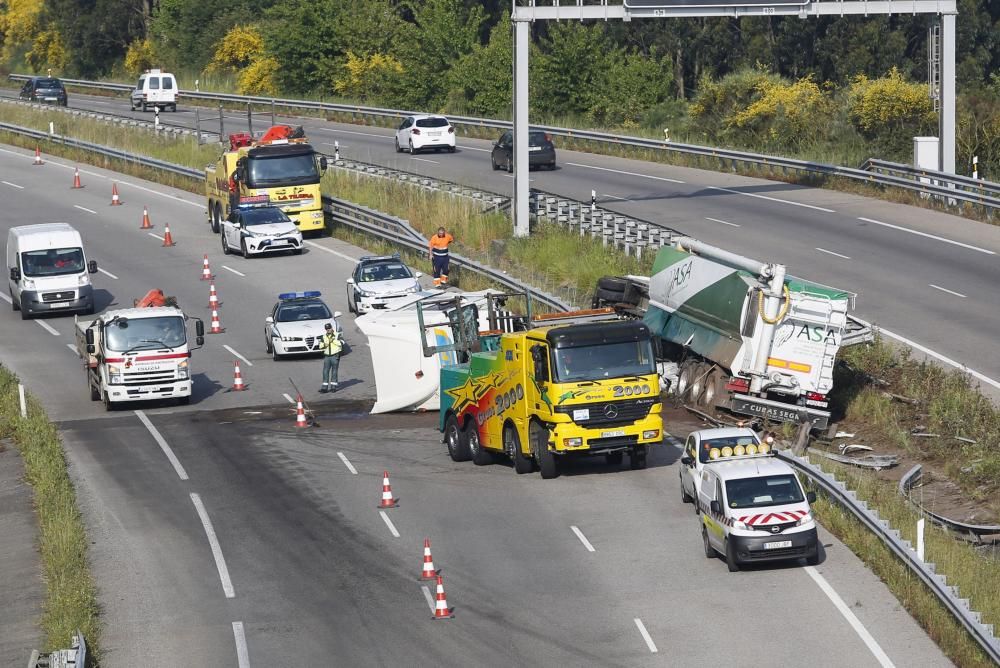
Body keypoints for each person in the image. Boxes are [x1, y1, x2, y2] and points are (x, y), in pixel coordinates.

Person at [319, 322, 343, 393]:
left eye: (329, 328)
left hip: (335, 355)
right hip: (327, 356)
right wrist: (325, 344)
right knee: (325, 371)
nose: (328, 330)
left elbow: (341, 343)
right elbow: (320, 346)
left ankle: (333, 387)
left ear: (332, 328)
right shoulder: (323, 336)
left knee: (334, 371)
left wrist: (333, 340)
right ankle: (324, 388)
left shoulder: (337, 335)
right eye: (327, 329)